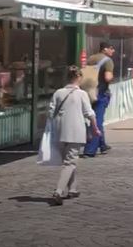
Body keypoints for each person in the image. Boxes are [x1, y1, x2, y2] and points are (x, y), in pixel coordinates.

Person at [49, 66, 100, 205]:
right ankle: (58, 191)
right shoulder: (82, 94)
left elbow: (50, 112)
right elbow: (89, 113)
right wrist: (95, 128)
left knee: (68, 160)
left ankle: (72, 188)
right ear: (79, 78)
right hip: (76, 131)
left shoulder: (58, 93)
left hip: (60, 131)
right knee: (70, 162)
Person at [82, 42, 115, 157]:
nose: (113, 51)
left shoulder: (91, 58)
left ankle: (102, 145)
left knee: (94, 117)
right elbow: (107, 77)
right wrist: (112, 77)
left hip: (89, 92)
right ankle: (90, 150)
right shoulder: (108, 61)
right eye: (111, 48)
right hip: (101, 93)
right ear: (105, 49)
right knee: (97, 120)